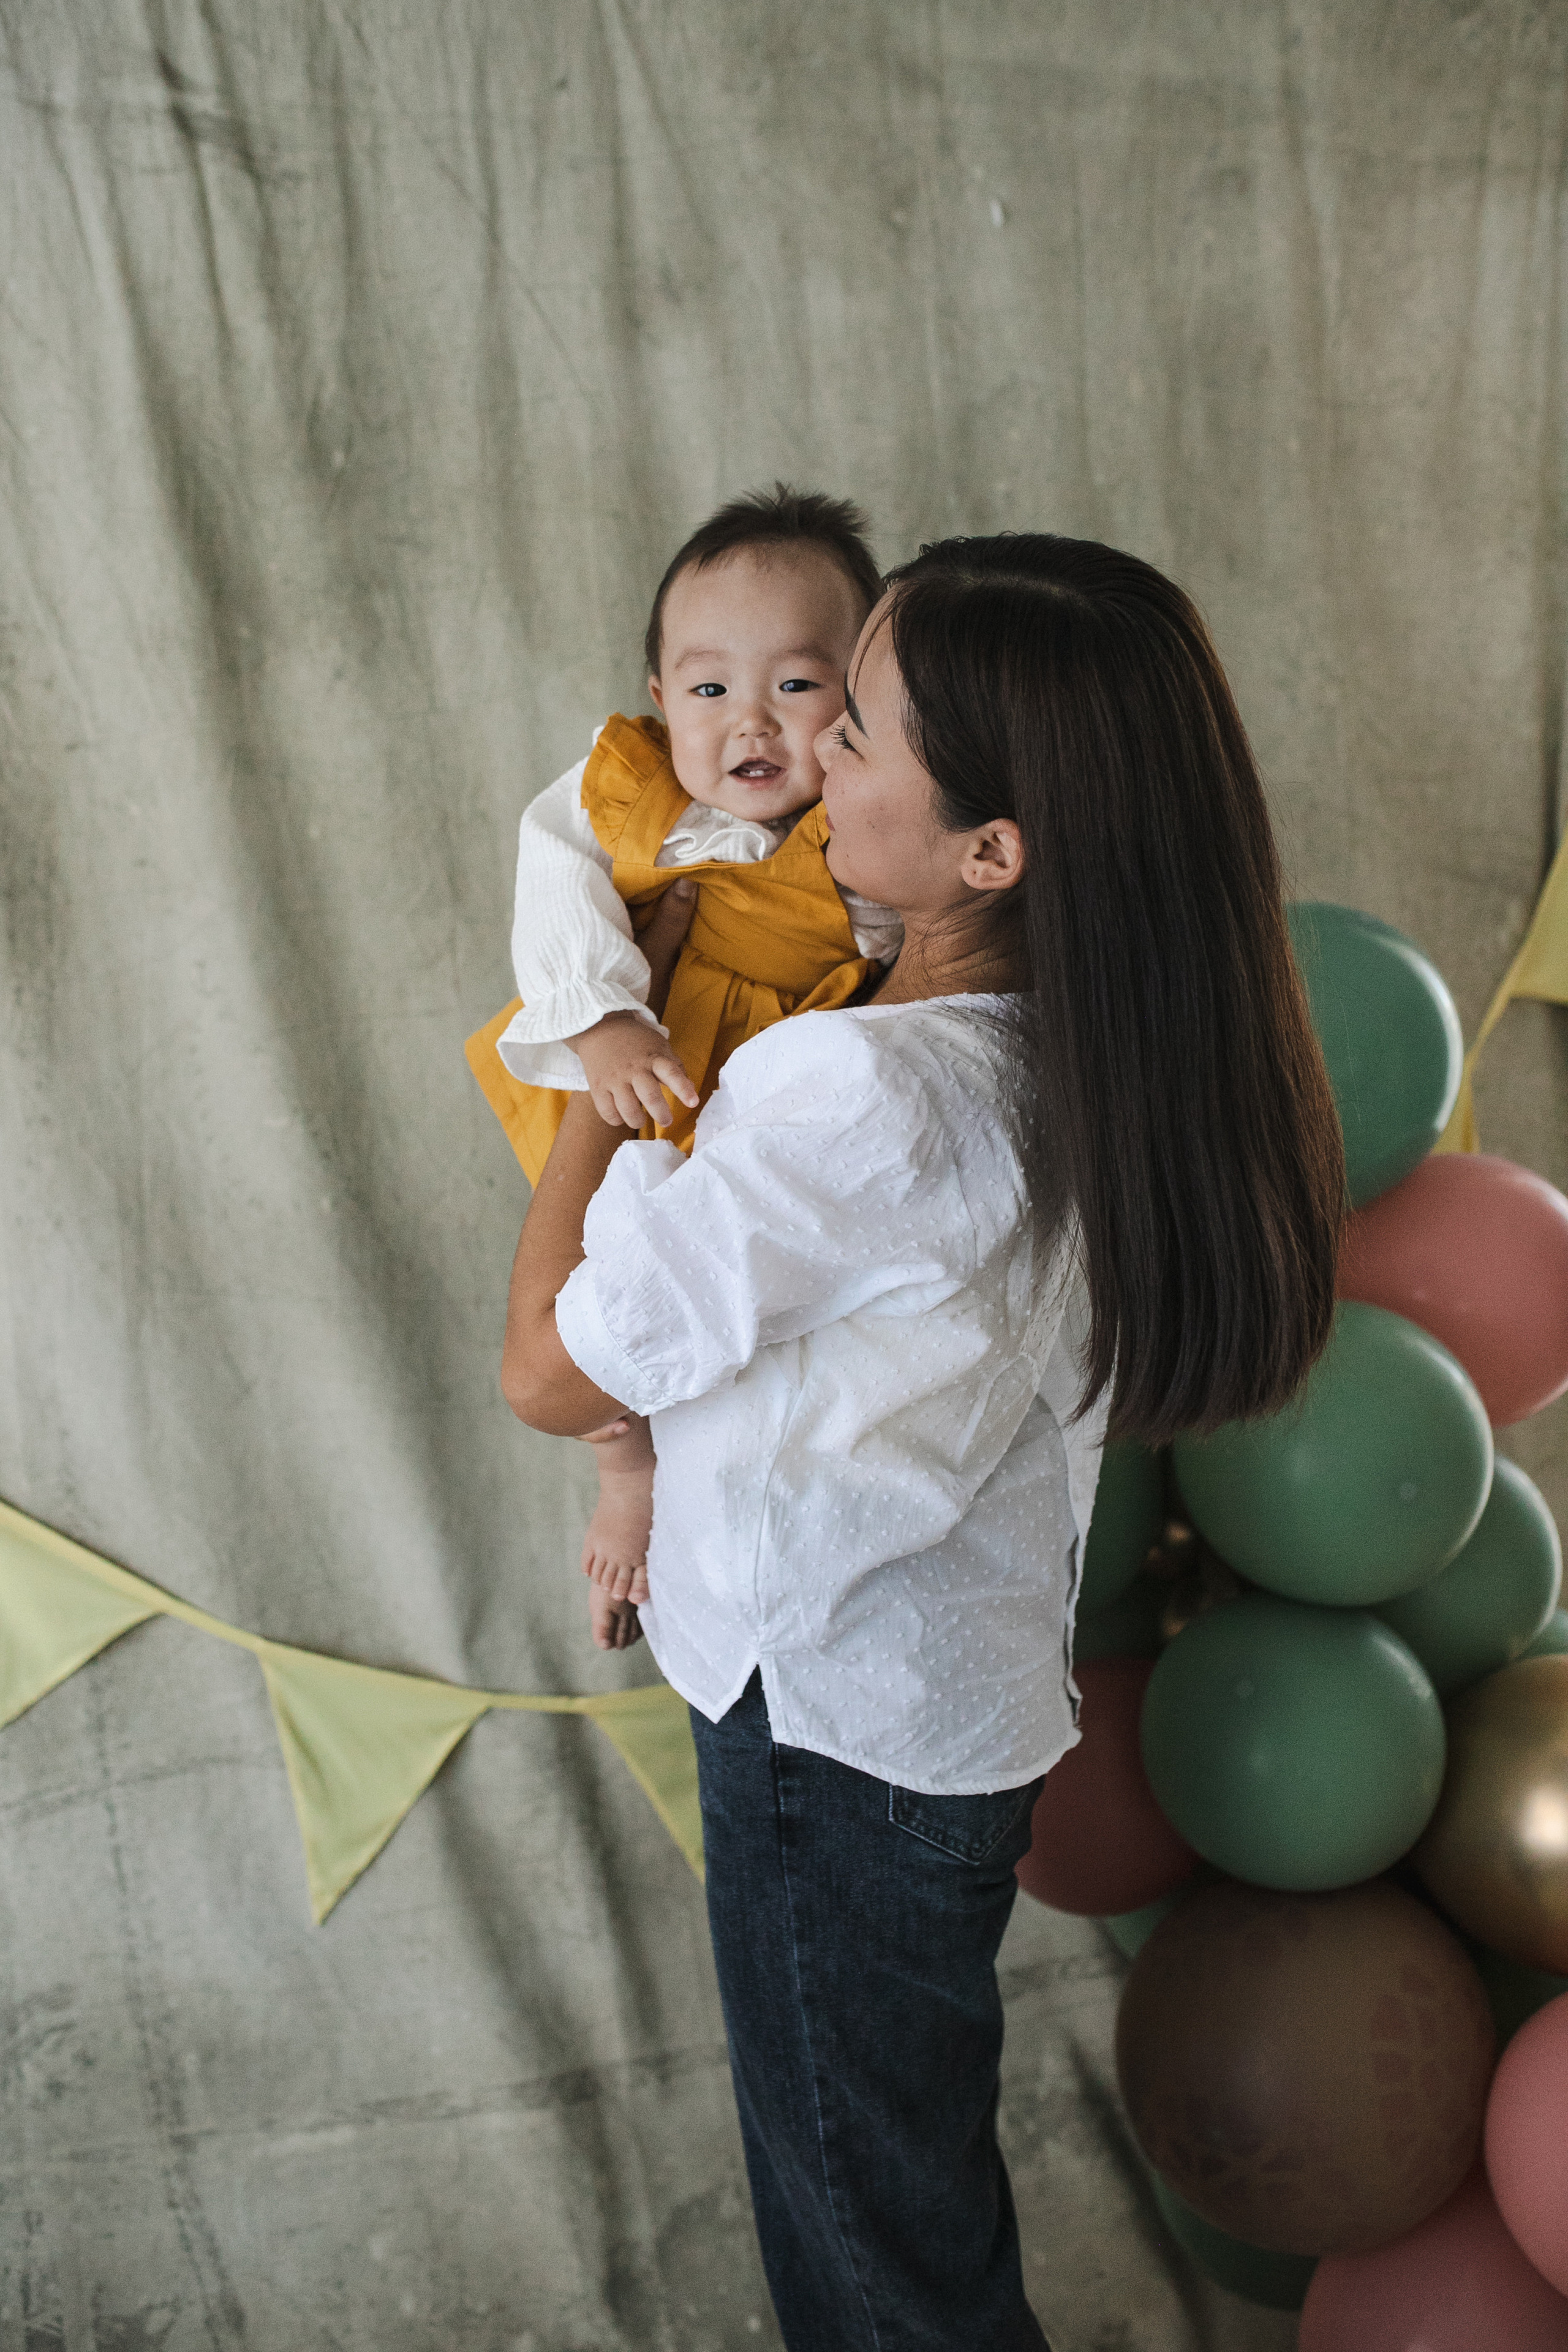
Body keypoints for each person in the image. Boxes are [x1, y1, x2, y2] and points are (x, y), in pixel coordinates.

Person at [500, 533, 1345, 2350]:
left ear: (993, 851)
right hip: (947, 1718)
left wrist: (603, 1052)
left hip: (823, 1738)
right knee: (901, 2207)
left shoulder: (850, 1089)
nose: (808, 759)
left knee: (876, 2269)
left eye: (857, 730)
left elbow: (552, 1376)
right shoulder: (1068, 1048)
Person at [466, 486, 898, 1651]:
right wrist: (607, 1014)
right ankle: (626, 1466)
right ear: (662, 700)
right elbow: (554, 876)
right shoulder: (634, 792)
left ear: (862, 699)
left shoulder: (867, 818)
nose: (749, 724)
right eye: (710, 689)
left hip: (769, 1089)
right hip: (639, 1066)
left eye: (796, 688)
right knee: (602, 1284)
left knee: (733, 1298)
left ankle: (707, 1468)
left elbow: (912, 946)